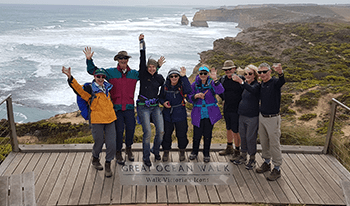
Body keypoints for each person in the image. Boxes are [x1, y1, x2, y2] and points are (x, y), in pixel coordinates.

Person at [84, 45, 138, 165]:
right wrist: (89, 60)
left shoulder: (134, 74)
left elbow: (148, 74)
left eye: (125, 60)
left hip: (129, 107)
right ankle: (118, 152)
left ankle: (128, 148)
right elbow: (94, 72)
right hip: (116, 109)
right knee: (118, 132)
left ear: (128, 61)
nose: (123, 62)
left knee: (130, 129)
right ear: (117, 61)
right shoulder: (111, 73)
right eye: (121, 60)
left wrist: (157, 66)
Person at [62, 66, 116, 177]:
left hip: (110, 119)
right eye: (98, 76)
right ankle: (95, 158)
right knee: (99, 142)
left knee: (111, 143)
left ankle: (108, 164)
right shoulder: (89, 90)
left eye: (102, 77)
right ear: (94, 77)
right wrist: (70, 77)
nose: (100, 78)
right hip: (96, 120)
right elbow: (78, 89)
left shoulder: (108, 88)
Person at [137, 34, 166, 167]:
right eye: (150, 67)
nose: (151, 69)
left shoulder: (159, 78)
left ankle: (155, 150)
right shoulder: (143, 75)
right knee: (147, 132)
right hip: (143, 106)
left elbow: (163, 90)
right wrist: (142, 43)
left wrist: (163, 101)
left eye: (154, 67)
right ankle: (146, 157)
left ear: (157, 67)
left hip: (155, 107)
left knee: (160, 131)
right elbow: (142, 57)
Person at [255, 62, 285, 181]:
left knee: (274, 143)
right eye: (260, 72)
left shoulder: (274, 82)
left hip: (273, 118)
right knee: (264, 141)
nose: (262, 74)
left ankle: (277, 168)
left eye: (265, 71)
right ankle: (267, 163)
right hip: (262, 116)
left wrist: (280, 72)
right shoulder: (262, 83)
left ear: (270, 72)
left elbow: (281, 81)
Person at [188, 65, 224, 163]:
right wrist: (195, 96)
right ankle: (194, 152)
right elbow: (189, 97)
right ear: (198, 74)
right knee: (196, 135)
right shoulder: (194, 85)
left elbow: (220, 91)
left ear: (208, 74)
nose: (203, 75)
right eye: (201, 73)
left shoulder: (212, 83)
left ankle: (206, 153)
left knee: (208, 134)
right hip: (198, 113)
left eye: (205, 73)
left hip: (210, 113)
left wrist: (215, 79)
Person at [159, 67, 192, 162]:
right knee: (166, 135)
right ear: (169, 77)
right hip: (167, 115)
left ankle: (182, 151)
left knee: (181, 134)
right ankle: (166, 152)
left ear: (179, 77)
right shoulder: (165, 86)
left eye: (176, 76)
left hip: (180, 113)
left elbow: (188, 90)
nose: (174, 78)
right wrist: (163, 103)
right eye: (172, 76)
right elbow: (160, 97)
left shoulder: (182, 85)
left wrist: (184, 77)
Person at [231, 65, 260, 170]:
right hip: (242, 115)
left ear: (255, 75)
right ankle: (243, 155)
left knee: (250, 138)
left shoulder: (256, 85)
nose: (247, 76)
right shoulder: (245, 84)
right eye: (246, 74)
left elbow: (252, 90)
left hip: (252, 116)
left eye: (250, 74)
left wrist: (241, 82)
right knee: (242, 136)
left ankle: (252, 158)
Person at [218, 60, 243, 160]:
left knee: (236, 130)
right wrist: (223, 99)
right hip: (227, 107)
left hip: (237, 108)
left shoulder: (240, 79)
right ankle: (229, 147)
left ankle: (237, 151)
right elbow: (219, 91)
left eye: (230, 69)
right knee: (228, 128)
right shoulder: (223, 79)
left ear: (234, 69)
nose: (228, 72)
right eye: (226, 70)